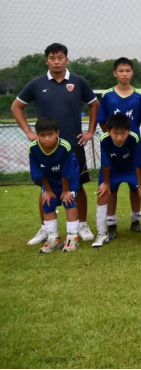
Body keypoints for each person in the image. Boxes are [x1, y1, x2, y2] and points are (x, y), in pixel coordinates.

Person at [13, 43, 97, 246]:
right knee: (45, 187)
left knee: (79, 185)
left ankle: (82, 225)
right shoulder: (36, 84)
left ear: (67, 60)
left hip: (73, 144)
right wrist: (29, 132)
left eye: (60, 58)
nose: (57, 62)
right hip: (45, 147)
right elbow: (16, 107)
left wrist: (90, 131)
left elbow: (94, 104)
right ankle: (46, 228)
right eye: (52, 58)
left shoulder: (78, 82)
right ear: (46, 61)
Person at [98, 57, 141, 235]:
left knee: (136, 186)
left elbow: (140, 120)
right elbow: (103, 121)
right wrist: (113, 138)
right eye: (121, 71)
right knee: (112, 187)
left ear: (132, 73)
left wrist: (128, 137)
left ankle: (135, 221)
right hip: (113, 149)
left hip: (133, 147)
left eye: (127, 71)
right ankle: (111, 223)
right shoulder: (107, 95)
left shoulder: (140, 95)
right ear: (115, 73)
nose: (124, 74)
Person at [96, 113, 141, 247]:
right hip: (112, 171)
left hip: (131, 169)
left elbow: (138, 162)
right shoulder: (104, 139)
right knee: (103, 193)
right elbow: (105, 162)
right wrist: (105, 183)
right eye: (115, 133)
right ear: (108, 131)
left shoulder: (134, 138)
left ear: (128, 131)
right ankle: (102, 233)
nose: (119, 137)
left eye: (123, 133)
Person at [28, 118, 82, 253]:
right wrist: (47, 190)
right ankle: (53, 238)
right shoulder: (33, 148)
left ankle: (72, 237)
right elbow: (38, 172)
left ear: (57, 133)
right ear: (37, 135)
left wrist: (65, 190)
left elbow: (67, 170)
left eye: (50, 135)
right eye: (42, 135)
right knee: (48, 201)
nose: (47, 139)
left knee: (69, 200)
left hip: (68, 178)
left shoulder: (65, 146)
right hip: (49, 177)